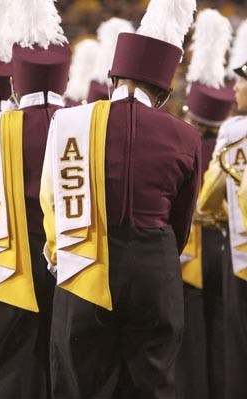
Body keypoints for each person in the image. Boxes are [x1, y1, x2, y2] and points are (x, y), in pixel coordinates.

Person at [41, 0, 200, 397]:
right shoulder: (185, 136)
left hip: (85, 258)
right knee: (150, 381)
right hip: (154, 268)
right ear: (162, 91)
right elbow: (181, 222)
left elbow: (52, 199)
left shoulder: (70, 121)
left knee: (81, 380)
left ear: (114, 78)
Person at [0, 1, 70, 397]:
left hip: (1, 254)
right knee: (62, 367)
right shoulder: (83, 122)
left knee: (4, 369)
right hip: (69, 258)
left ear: (14, 80)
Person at [175, 9, 234, 399]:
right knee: (227, 335)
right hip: (231, 251)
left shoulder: (182, 144)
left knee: (193, 339)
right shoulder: (234, 146)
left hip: (192, 252)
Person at [201, 18, 247, 399]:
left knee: (237, 342)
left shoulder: (234, 132)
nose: (236, 90)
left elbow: (208, 196)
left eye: (243, 82)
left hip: (241, 251)